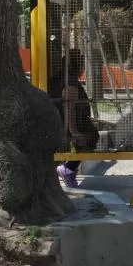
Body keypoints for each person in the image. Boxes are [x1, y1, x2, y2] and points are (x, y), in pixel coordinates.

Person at [48, 48, 100, 188]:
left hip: (68, 120)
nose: (83, 68)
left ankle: (68, 169)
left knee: (88, 139)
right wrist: (73, 131)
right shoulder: (70, 83)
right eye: (82, 64)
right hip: (73, 122)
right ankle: (68, 169)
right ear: (77, 66)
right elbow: (69, 108)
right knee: (89, 139)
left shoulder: (63, 78)